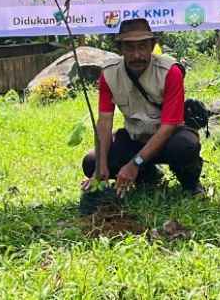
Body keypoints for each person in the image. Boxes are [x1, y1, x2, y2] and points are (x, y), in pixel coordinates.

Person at [81, 18, 205, 196]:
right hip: (135, 138)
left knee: (185, 147)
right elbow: (104, 122)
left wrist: (134, 164)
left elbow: (168, 126)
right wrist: (100, 167)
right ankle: (149, 177)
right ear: (120, 49)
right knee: (91, 162)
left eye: (142, 47)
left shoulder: (170, 72)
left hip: (169, 137)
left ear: (152, 45)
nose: (137, 55)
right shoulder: (109, 74)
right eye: (130, 48)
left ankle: (190, 183)